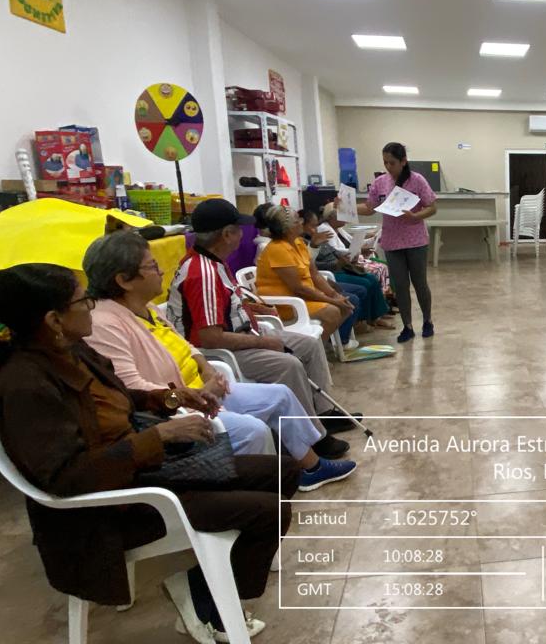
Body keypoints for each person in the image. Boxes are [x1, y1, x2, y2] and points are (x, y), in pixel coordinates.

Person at [0, 263, 290, 642]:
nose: (91, 307)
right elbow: (68, 477)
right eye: (83, 301)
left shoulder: (71, 351)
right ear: (53, 319)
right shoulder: (25, 385)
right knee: (268, 510)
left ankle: (199, 584)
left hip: (139, 471)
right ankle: (208, 603)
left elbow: (119, 399)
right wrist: (159, 435)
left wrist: (173, 397)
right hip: (108, 511)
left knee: (282, 471)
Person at [83, 231, 356, 489]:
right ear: (124, 280)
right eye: (152, 266)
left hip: (201, 389)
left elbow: (186, 344)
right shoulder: (104, 324)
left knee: (280, 395)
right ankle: (259, 490)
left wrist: (207, 370)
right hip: (174, 408)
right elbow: (132, 389)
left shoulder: (147, 307)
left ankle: (311, 467)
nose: (161, 271)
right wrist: (192, 396)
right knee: (252, 430)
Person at [166, 199, 359, 447]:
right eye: (238, 230)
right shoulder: (202, 273)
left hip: (244, 332)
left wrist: (254, 309)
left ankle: (321, 413)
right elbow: (210, 337)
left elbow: (227, 305)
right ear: (226, 235)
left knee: (309, 345)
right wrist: (265, 342)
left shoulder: (215, 261)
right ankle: (310, 440)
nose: (242, 234)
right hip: (220, 349)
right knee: (287, 364)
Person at [356, 142, 437, 343]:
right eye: (385, 162)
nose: (388, 166)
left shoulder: (417, 180)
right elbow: (369, 208)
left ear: (403, 161)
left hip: (416, 240)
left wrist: (415, 216)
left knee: (420, 283)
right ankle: (407, 326)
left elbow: (432, 207)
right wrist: (347, 206)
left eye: (392, 162)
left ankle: (427, 321)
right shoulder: (380, 183)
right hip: (392, 241)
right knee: (400, 286)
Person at [254, 205, 358, 345]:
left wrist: (335, 295)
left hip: (303, 298)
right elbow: (298, 288)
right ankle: (311, 351)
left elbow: (315, 275)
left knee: (346, 308)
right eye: (298, 220)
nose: (301, 222)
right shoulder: (278, 249)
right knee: (333, 311)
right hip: (285, 304)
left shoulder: (298, 243)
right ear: (288, 228)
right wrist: (332, 301)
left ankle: (319, 347)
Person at [300, 207, 394, 329]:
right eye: (312, 226)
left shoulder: (318, 236)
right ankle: (361, 320)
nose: (315, 229)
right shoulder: (306, 242)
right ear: (302, 226)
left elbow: (334, 251)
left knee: (371, 278)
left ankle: (376, 316)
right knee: (365, 283)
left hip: (340, 266)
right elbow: (314, 266)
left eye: (316, 225)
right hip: (331, 271)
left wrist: (349, 256)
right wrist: (336, 263)